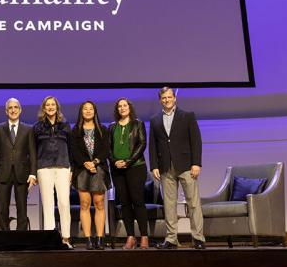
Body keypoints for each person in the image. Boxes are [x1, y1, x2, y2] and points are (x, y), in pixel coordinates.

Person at [149, 87, 206, 250]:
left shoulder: (187, 116)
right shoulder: (154, 120)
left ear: (175, 98)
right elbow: (153, 145)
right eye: (163, 98)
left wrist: (196, 163)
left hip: (186, 165)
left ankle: (198, 238)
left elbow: (196, 141)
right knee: (169, 205)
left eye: (169, 97)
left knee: (193, 203)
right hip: (165, 166)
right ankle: (171, 239)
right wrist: (154, 166)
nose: (167, 100)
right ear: (160, 100)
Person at [0, 98, 37, 231]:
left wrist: (33, 174)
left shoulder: (28, 129)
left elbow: (32, 153)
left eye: (16, 107)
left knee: (22, 207)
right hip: (3, 173)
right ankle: (4, 236)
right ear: (6, 111)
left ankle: (21, 237)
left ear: (20, 110)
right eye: (10, 108)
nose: (13, 110)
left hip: (22, 173)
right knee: (3, 208)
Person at [109, 98, 150, 250]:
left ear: (130, 108)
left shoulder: (138, 124)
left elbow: (142, 143)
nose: (122, 108)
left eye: (124, 105)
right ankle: (131, 237)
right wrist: (114, 162)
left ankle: (144, 237)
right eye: (119, 106)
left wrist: (128, 161)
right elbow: (108, 148)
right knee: (125, 203)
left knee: (137, 201)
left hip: (135, 167)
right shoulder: (112, 127)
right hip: (117, 169)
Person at [69, 100, 110, 250]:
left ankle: (99, 238)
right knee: (85, 204)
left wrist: (95, 162)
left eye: (90, 109)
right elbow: (74, 152)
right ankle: (88, 239)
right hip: (82, 170)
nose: (87, 111)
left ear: (95, 111)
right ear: (81, 112)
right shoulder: (75, 131)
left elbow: (106, 149)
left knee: (99, 203)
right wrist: (86, 163)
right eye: (85, 109)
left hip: (99, 169)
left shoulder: (103, 130)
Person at [33, 96, 73, 249]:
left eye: (53, 105)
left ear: (57, 107)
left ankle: (66, 238)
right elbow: (34, 150)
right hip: (44, 168)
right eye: (47, 105)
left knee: (64, 202)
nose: (50, 107)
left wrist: (72, 169)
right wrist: (34, 171)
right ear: (44, 108)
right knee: (48, 204)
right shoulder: (37, 127)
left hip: (63, 166)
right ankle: (50, 238)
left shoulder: (65, 126)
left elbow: (71, 148)